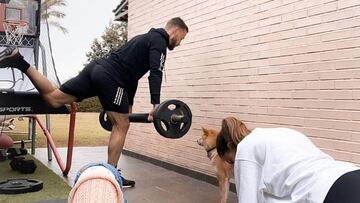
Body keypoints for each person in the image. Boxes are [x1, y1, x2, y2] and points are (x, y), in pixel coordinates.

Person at [0, 17, 188, 187]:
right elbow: (156, 72)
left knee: (54, 99)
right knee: (121, 126)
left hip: (97, 69)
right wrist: (156, 105)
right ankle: (111, 176)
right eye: (182, 38)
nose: (180, 43)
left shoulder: (144, 38)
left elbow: (132, 77)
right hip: (111, 78)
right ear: (176, 31)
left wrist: (128, 108)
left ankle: (18, 61)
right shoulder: (159, 41)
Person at [216, 117, 360, 203]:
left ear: (229, 146)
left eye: (231, 161)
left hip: (328, 192)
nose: (233, 167)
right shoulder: (280, 133)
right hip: (350, 173)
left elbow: (248, 200)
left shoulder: (245, 147)